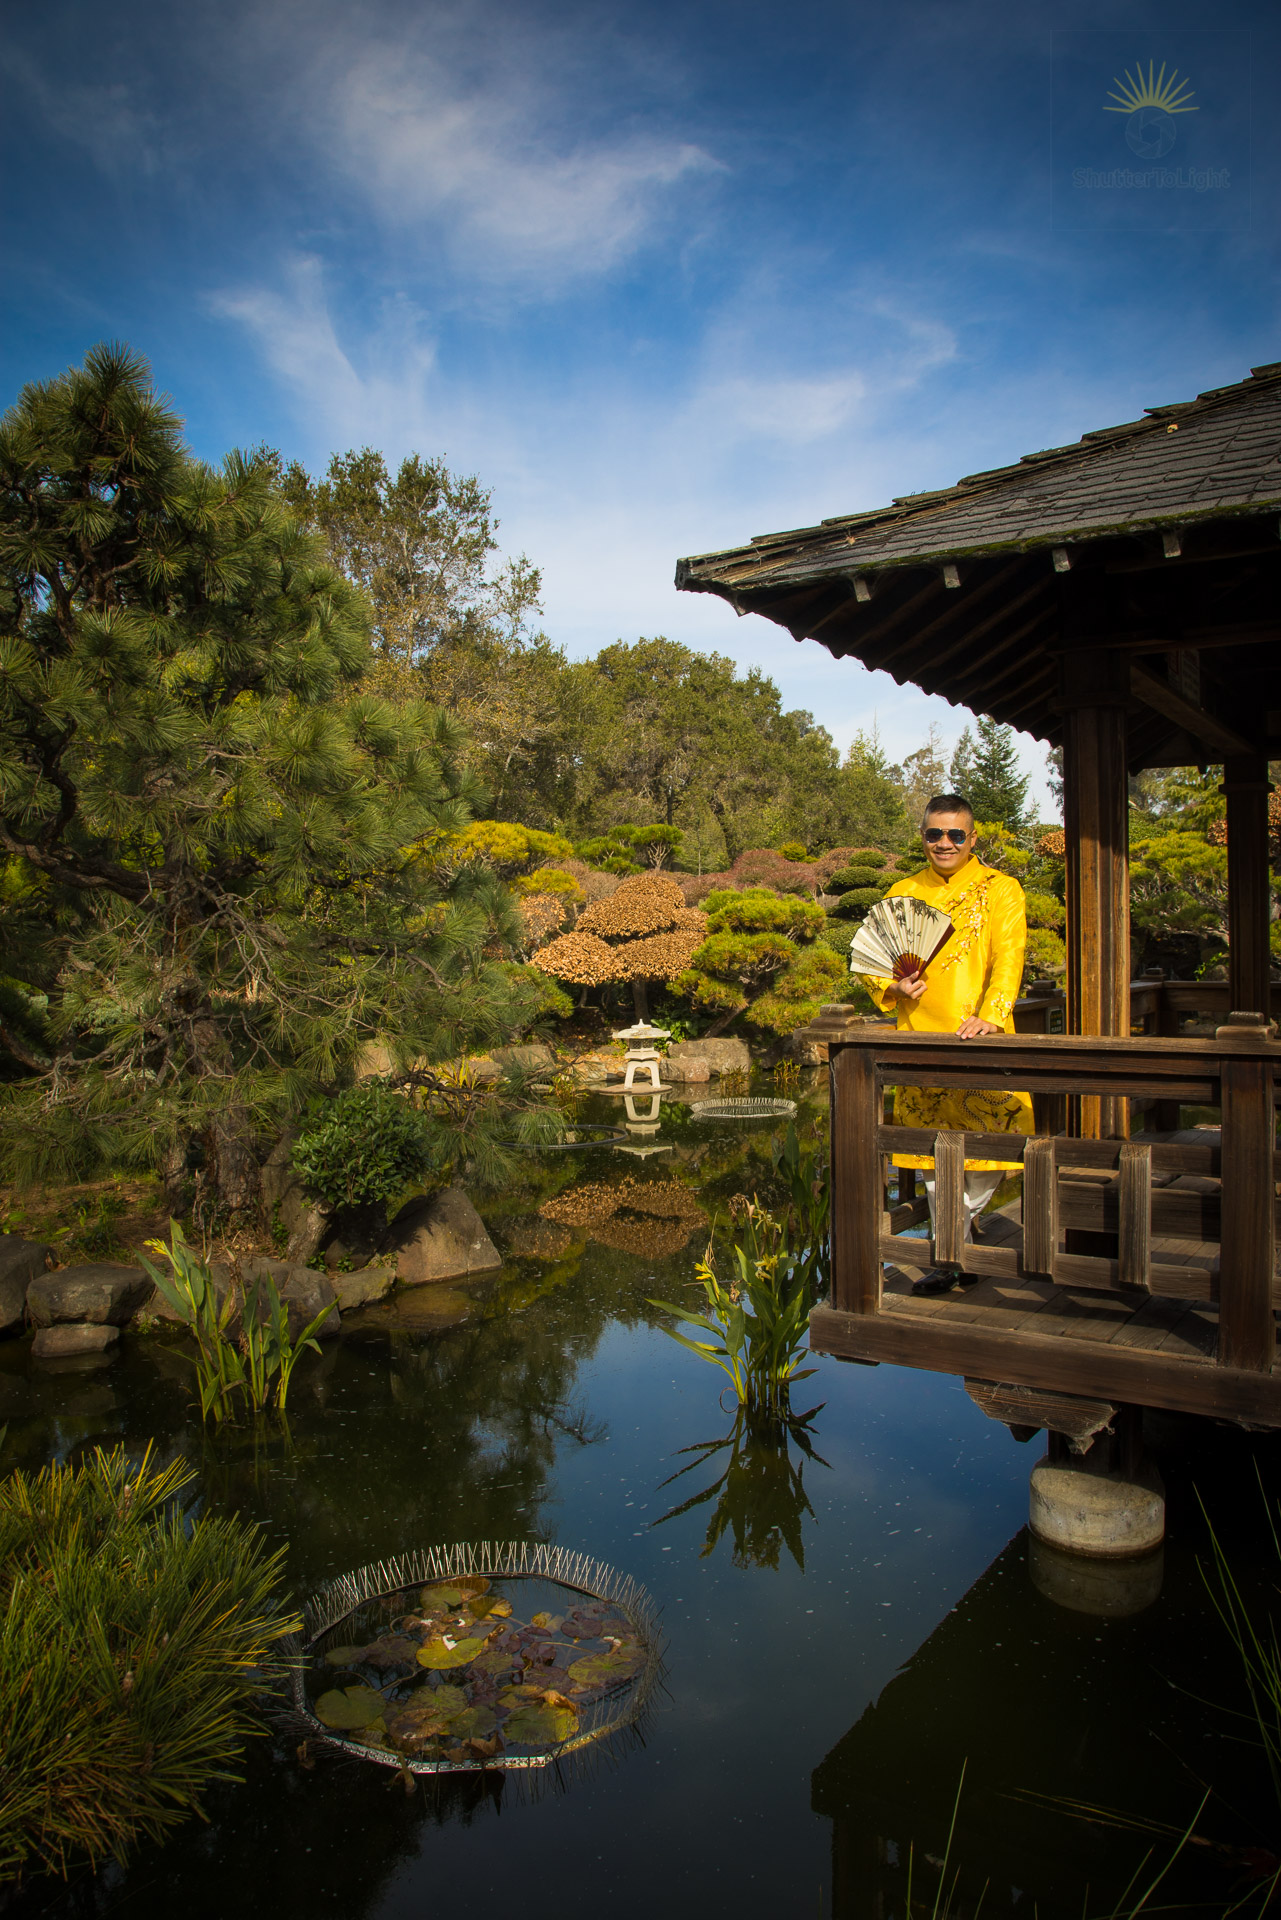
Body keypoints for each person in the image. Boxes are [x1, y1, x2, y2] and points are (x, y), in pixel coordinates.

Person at [857, 793, 1033, 1295]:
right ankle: (951, 1257)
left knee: (989, 1159)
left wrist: (993, 1017)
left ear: (972, 838)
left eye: (956, 834)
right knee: (935, 1159)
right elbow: (876, 965)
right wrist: (891, 988)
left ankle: (958, 1237)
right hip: (921, 1042)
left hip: (982, 1038)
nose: (945, 842)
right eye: (935, 833)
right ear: (924, 837)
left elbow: (1010, 958)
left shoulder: (1002, 889)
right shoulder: (902, 890)